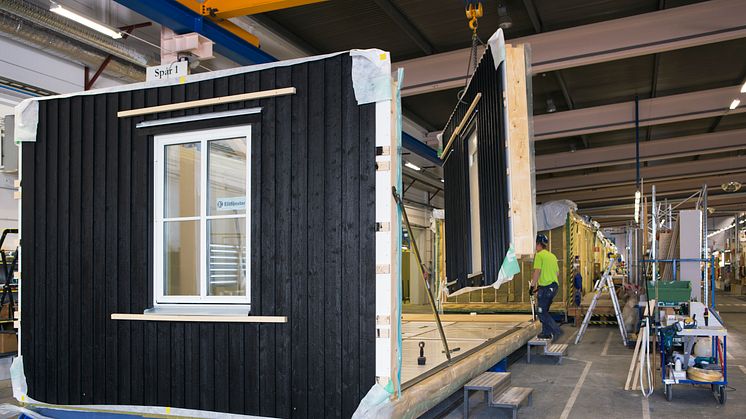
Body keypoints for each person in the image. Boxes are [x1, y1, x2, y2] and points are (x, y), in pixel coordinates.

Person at [530, 234, 562, 340]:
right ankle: (546, 332)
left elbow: (537, 271)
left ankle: (557, 331)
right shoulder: (552, 256)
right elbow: (557, 273)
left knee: (541, 311)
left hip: (546, 288)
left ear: (538, 244)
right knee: (544, 310)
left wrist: (532, 286)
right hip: (553, 286)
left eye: (535, 244)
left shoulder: (539, 255)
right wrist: (541, 286)